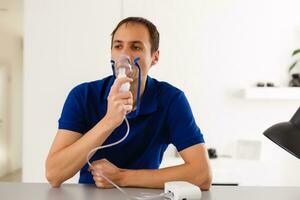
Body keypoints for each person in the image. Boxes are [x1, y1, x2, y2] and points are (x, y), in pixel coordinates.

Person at [45, 17, 212, 190]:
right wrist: (109, 121)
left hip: (144, 195)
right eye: (118, 46)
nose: (124, 55)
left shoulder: (170, 100)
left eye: (136, 47)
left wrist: (121, 177)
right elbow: (54, 174)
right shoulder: (83, 96)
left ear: (155, 57)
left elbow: (202, 175)